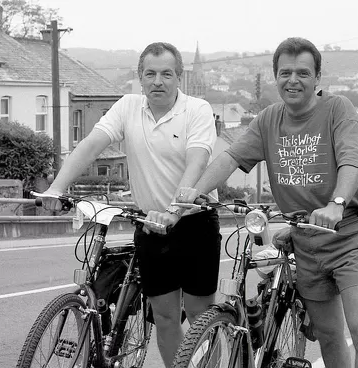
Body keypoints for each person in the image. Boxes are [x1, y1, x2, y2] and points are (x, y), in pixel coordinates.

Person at [178, 37, 358, 368]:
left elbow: (351, 160)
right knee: (329, 334)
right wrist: (195, 193)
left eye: (303, 73)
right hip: (305, 239)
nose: (293, 80)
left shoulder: (337, 109)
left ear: (317, 78)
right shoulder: (268, 120)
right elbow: (230, 157)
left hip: (348, 235)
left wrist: (337, 203)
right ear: (276, 77)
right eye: (285, 73)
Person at [39, 42, 221, 367]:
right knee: (165, 317)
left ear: (179, 77)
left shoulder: (197, 109)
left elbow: (197, 162)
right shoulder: (128, 106)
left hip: (194, 222)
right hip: (151, 225)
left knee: (199, 316)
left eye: (166, 74)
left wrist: (175, 210)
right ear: (140, 78)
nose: (158, 81)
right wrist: (56, 187)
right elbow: (91, 144)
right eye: (150, 74)